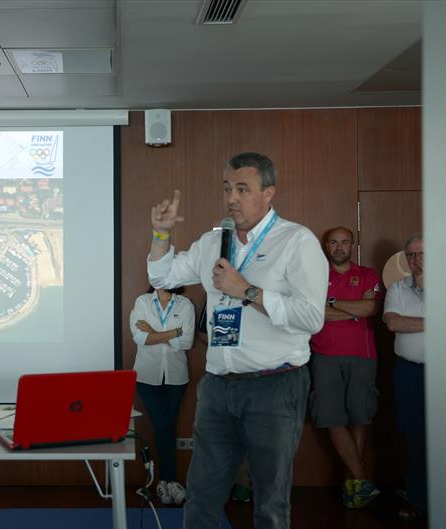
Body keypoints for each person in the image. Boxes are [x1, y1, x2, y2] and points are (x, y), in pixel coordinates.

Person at [147, 152, 327, 529]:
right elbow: (162, 276)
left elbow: (311, 318)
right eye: (228, 188)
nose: (231, 197)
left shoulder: (297, 241)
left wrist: (248, 292)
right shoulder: (214, 241)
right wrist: (161, 234)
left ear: (268, 193)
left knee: (269, 503)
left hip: (275, 386)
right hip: (217, 388)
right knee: (201, 497)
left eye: (243, 189)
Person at [309, 226, 382, 508]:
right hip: (323, 355)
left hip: (362, 356)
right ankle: (361, 479)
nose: (339, 247)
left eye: (344, 242)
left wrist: (332, 303)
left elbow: (370, 309)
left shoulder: (368, 274)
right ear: (326, 246)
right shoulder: (314, 276)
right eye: (333, 242)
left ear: (353, 245)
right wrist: (352, 309)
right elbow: (313, 315)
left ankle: (354, 484)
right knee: (332, 418)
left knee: (359, 417)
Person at [130, 285, 195, 505]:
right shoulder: (143, 302)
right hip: (147, 376)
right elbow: (140, 337)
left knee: (169, 424)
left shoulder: (185, 305)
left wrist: (154, 332)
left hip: (176, 377)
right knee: (161, 425)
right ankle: (170, 481)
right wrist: (175, 332)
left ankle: (164, 483)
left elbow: (187, 342)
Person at [383, 234, 426, 521]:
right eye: (411, 255)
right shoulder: (397, 288)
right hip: (409, 373)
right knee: (413, 437)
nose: (416, 260)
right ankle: (418, 500)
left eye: (422, 254)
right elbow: (393, 322)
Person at [197, 298, 253, 504]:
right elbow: (203, 332)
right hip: (222, 376)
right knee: (219, 434)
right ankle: (220, 485)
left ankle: (243, 484)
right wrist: (228, 341)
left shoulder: (263, 289)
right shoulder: (216, 293)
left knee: (251, 434)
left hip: (258, 377)